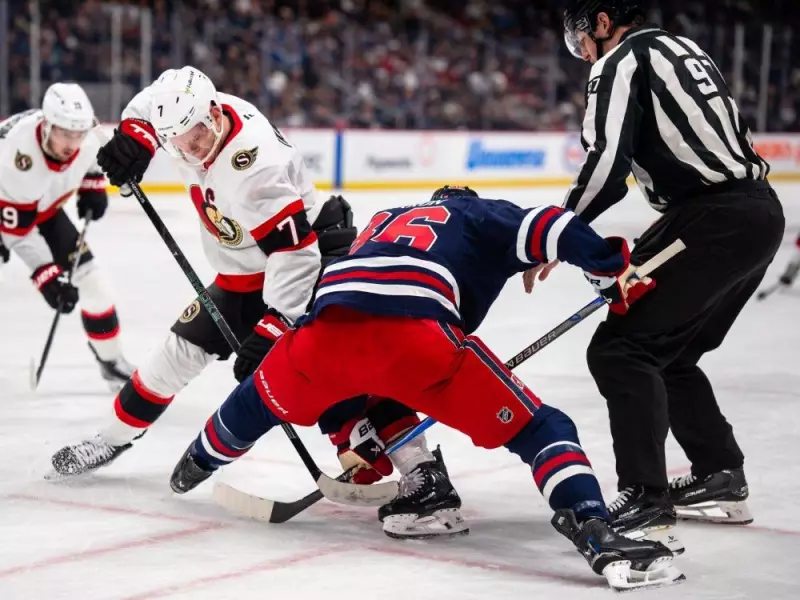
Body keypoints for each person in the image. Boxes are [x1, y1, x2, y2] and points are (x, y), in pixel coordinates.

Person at [168, 185, 684, 591]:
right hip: (420, 340)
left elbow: (253, 402)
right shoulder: (476, 214)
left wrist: (202, 460)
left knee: (258, 401)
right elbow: (555, 225)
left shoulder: (382, 221)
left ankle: (194, 464)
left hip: (322, 336)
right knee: (542, 428)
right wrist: (609, 269)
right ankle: (593, 528)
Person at [49, 67, 463, 538]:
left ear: (213, 115)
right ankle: (111, 440)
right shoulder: (192, 109)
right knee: (174, 356)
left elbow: (296, 254)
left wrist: (274, 326)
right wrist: (137, 139)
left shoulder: (254, 170)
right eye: (179, 143)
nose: (193, 150)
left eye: (198, 137)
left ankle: (420, 468)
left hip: (306, 266)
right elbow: (149, 104)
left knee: (342, 374)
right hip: (242, 272)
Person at [551, 0, 785, 540]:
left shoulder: (618, 61)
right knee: (672, 352)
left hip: (709, 218)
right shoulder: (685, 48)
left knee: (621, 349)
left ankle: (646, 496)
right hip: (757, 212)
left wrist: (558, 230)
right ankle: (719, 475)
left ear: (603, 21)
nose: (581, 51)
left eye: (579, 36)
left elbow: (607, 163)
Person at [0, 82, 134, 388]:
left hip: (38, 207)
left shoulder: (84, 135)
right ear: (47, 126)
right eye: (64, 134)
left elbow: (91, 155)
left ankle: (111, 361)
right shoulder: (19, 159)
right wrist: (46, 275)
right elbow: (18, 232)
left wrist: (92, 184)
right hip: (8, 205)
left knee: (93, 283)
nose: (72, 143)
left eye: (78, 134)